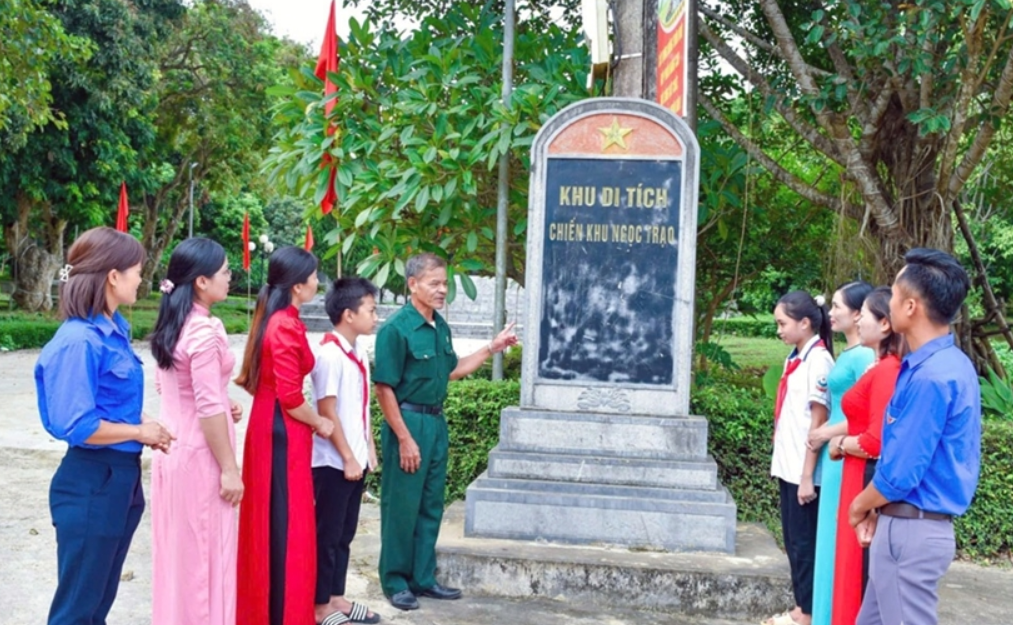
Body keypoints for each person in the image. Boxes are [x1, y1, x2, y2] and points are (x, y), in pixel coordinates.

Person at [34, 227, 175, 625]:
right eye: (137, 271)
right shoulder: (80, 340)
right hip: (92, 480)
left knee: (96, 605)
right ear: (113, 276)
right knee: (77, 610)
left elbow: (107, 402)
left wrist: (143, 422)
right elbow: (78, 425)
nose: (141, 279)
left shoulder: (112, 332)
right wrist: (139, 432)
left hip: (118, 479)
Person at [373, 253, 518, 611]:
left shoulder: (440, 326)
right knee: (402, 506)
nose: (442, 290)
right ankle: (395, 581)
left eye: (445, 283)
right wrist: (404, 438)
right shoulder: (396, 330)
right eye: (434, 283)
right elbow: (384, 388)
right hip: (408, 422)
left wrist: (491, 348)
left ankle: (423, 578)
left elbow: (452, 370)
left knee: (430, 504)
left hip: (435, 423)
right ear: (412, 285)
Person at [850, 249, 981, 625]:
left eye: (892, 294)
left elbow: (899, 475)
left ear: (910, 306)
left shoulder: (930, 377)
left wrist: (859, 506)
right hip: (906, 525)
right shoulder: (948, 365)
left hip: (909, 532)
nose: (887, 302)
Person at [235, 246, 334, 625]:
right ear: (297, 285)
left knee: (275, 518)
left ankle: (274, 610)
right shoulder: (285, 325)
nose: (317, 282)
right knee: (285, 521)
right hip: (282, 428)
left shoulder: (277, 319)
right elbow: (291, 398)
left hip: (270, 422)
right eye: (313, 276)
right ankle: (281, 613)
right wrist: (320, 422)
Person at [149, 238, 245, 625]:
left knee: (178, 557)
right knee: (205, 559)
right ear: (202, 282)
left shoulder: (174, 324)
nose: (230, 277)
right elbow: (206, 408)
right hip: (201, 457)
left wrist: (222, 398)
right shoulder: (203, 332)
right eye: (224, 271)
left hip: (172, 450)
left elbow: (171, 388)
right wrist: (230, 469)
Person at [828, 286, 903, 625]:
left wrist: (840, 443)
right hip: (855, 472)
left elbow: (876, 441)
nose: (858, 321)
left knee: (858, 574)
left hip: (863, 472)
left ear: (885, 324)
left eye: (865, 315)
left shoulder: (888, 369)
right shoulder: (879, 366)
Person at [311, 277, 382, 625]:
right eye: (371, 310)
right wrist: (348, 457)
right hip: (332, 462)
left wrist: (368, 449)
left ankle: (337, 597)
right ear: (348, 314)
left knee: (345, 533)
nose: (376, 317)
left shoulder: (357, 353)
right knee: (327, 535)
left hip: (354, 459)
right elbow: (327, 412)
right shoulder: (329, 355)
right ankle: (319, 605)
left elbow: (360, 408)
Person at [763, 291, 835, 625]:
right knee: (793, 542)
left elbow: (818, 421)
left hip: (804, 471)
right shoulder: (796, 358)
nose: (779, 330)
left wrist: (807, 477)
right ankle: (801, 607)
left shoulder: (819, 361)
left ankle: (807, 613)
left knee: (805, 546)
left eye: (783, 323)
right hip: (789, 466)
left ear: (805, 323)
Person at [808, 281, 874, 625]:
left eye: (837, 306)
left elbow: (866, 414)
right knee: (829, 539)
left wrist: (825, 433)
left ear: (859, 313)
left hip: (844, 451)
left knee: (841, 540)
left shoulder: (864, 356)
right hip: (834, 453)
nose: (830, 313)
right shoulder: (850, 353)